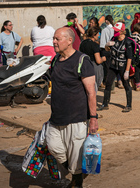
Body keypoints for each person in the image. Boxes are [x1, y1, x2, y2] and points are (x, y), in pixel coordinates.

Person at [47, 27, 98, 188]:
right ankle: (78, 171)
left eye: (57, 39)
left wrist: (93, 118)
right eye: (54, 39)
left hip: (76, 118)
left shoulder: (82, 60)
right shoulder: (56, 60)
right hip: (56, 117)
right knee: (53, 146)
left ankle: (77, 181)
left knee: (75, 156)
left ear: (69, 41)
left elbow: (91, 92)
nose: (54, 42)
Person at [98, 22, 133, 112]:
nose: (115, 32)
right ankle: (105, 104)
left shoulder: (128, 42)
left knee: (126, 85)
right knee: (108, 83)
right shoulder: (114, 39)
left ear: (122, 31)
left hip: (123, 66)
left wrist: (127, 71)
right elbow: (108, 50)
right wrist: (106, 45)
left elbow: (129, 58)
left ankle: (129, 105)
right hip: (113, 65)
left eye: (117, 31)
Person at [79, 26, 105, 91]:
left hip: (83, 66)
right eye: (98, 34)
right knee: (94, 88)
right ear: (94, 35)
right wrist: (103, 59)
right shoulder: (94, 45)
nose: (98, 35)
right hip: (93, 67)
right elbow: (98, 61)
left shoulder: (82, 43)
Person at [99, 15, 115, 89]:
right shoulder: (114, 29)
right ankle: (112, 85)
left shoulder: (104, 30)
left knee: (107, 68)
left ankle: (107, 83)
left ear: (106, 21)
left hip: (106, 50)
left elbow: (102, 43)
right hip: (113, 50)